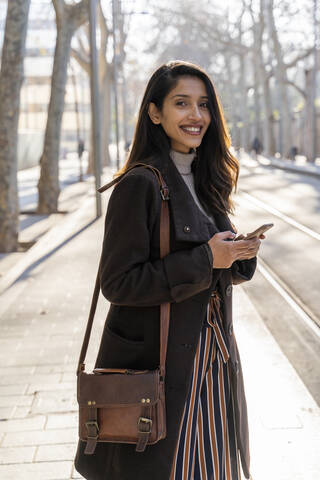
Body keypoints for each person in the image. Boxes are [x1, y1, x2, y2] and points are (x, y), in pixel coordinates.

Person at [75, 60, 266, 480]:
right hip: (163, 364)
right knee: (176, 466)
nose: (196, 116)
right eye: (182, 103)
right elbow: (119, 283)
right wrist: (206, 259)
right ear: (155, 112)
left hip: (212, 356)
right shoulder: (140, 185)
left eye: (203, 105)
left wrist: (238, 254)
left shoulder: (205, 178)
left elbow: (213, 269)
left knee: (212, 463)